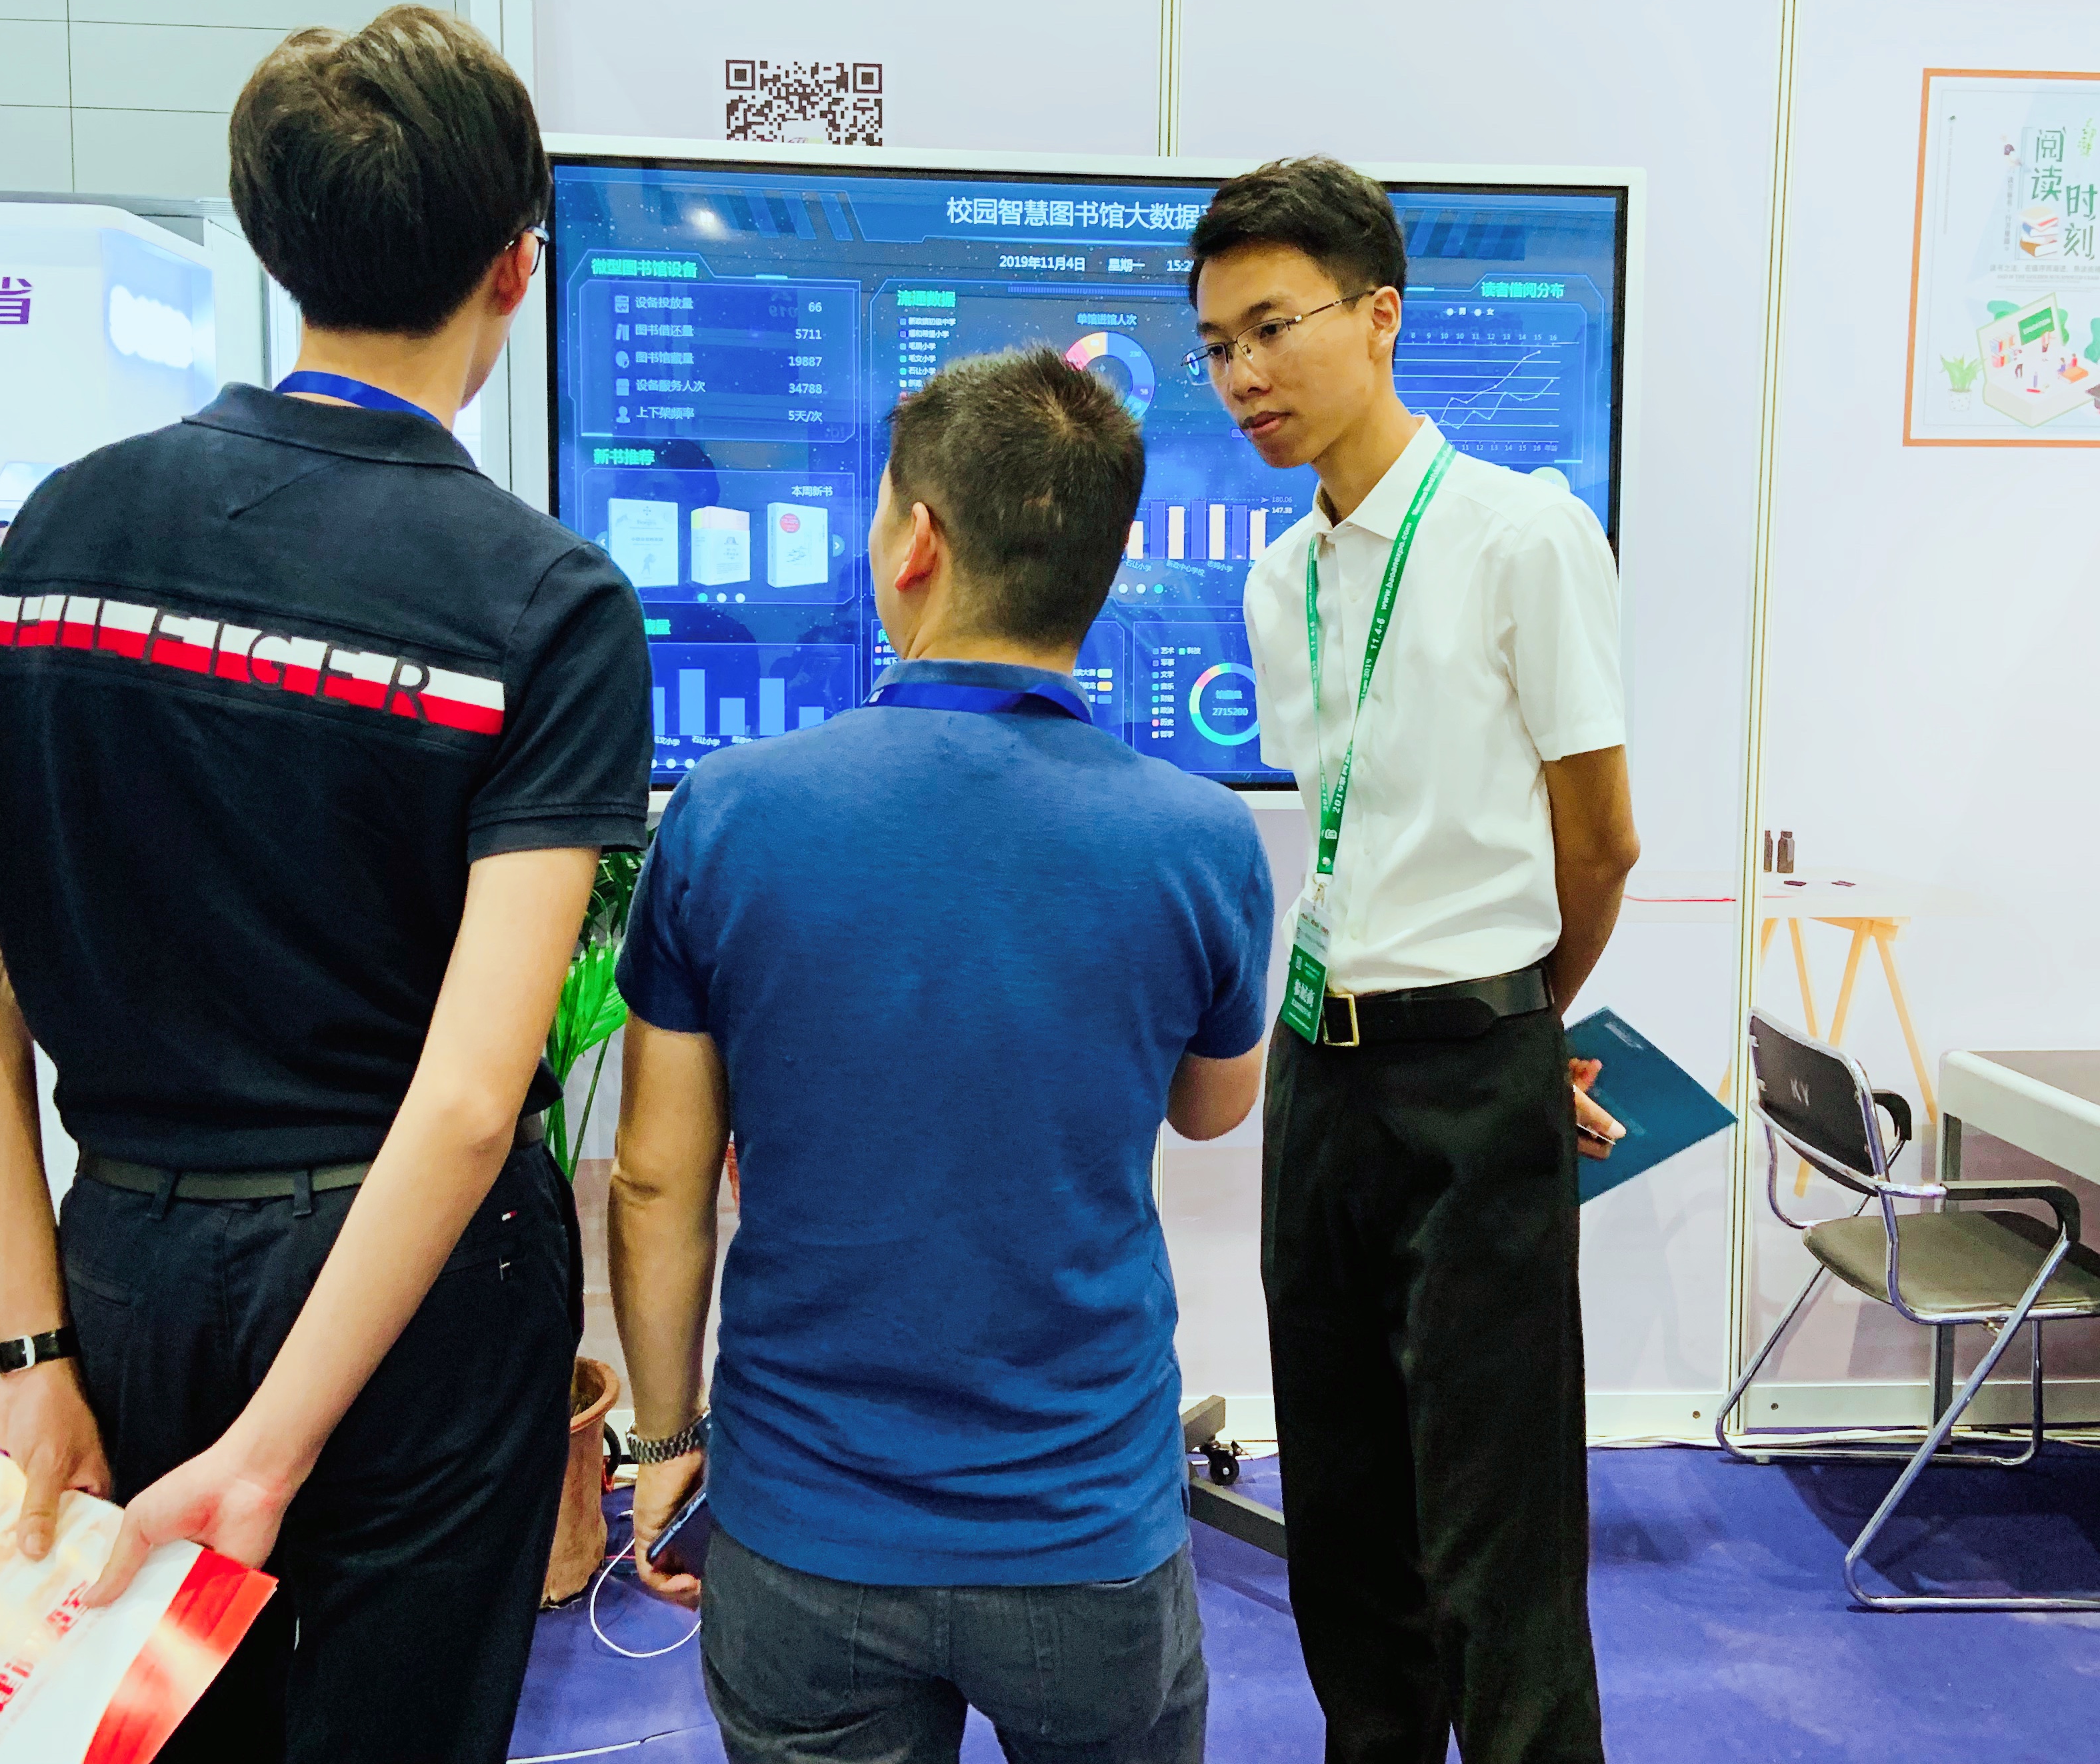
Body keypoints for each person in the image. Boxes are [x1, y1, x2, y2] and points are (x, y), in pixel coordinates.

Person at [0, 5, 654, 1764]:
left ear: (275, 243)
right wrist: (280, 1445)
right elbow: (470, 1096)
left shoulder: (59, 534)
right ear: (516, 268)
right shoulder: (542, 602)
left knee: (148, 1724)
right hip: (417, 1290)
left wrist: (31, 1356)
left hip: (128, 1257)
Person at [613, 346, 1273, 1764]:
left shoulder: (728, 813)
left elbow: (657, 1180)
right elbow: (1215, 1107)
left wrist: (664, 1445)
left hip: (804, 1529)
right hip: (1087, 1532)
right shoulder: (1200, 836)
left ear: (916, 541)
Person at [1190, 157, 1639, 1764]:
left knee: (1496, 1534)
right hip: (1319, 1077)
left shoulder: (1523, 534)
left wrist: (1519, 1023)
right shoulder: (1277, 579)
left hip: (1476, 1074)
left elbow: (1602, 842)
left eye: (1273, 327)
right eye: (1217, 346)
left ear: (1380, 314)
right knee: (1342, 1511)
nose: (1244, 375)